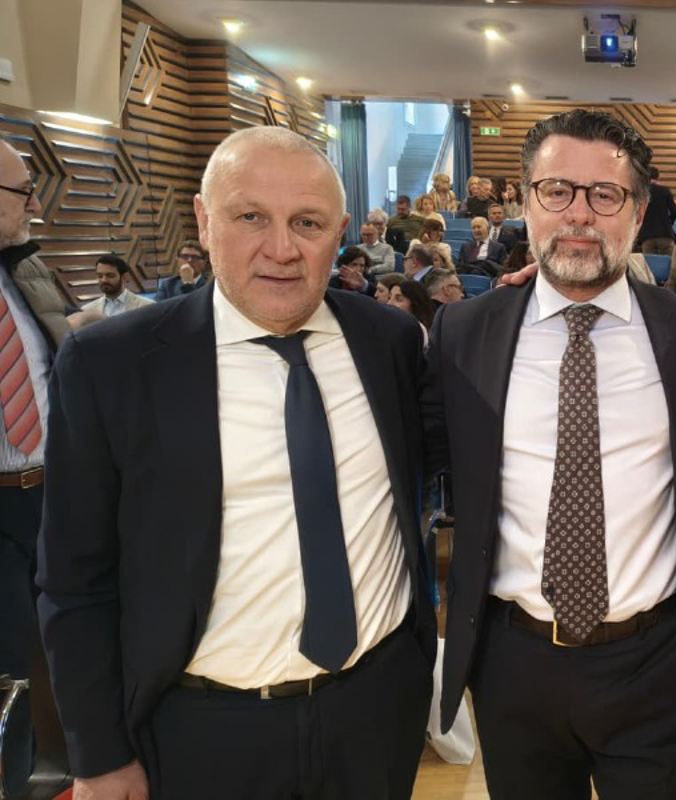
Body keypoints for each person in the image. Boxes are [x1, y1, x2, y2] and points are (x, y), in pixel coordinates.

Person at [38, 125, 436, 800]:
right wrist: (98, 754)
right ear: (203, 221)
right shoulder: (112, 364)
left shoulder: (388, 340)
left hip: (374, 712)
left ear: (339, 234)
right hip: (201, 729)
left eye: (307, 223)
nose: (281, 249)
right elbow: (75, 578)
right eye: (250, 217)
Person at [423, 108, 676, 800]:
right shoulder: (464, 332)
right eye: (557, 190)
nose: (579, 214)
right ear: (527, 203)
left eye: (605, 194)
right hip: (513, 660)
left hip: (656, 663)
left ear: (639, 212)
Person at [0, 136, 67, 799]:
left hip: (49, 491)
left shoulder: (29, 272)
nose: (34, 204)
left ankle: (61, 766)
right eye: (23, 191)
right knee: (9, 660)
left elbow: (56, 369)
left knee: (63, 638)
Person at [82, 255, 154, 317]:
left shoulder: (146, 306)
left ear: (125, 277)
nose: (104, 280)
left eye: (110, 276)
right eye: (100, 276)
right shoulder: (87, 310)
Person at [635, 165, 676, 256]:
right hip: (665, 234)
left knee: (649, 262)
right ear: (658, 176)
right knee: (668, 262)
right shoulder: (664, 191)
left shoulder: (642, 192)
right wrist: (669, 222)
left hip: (647, 235)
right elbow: (674, 211)